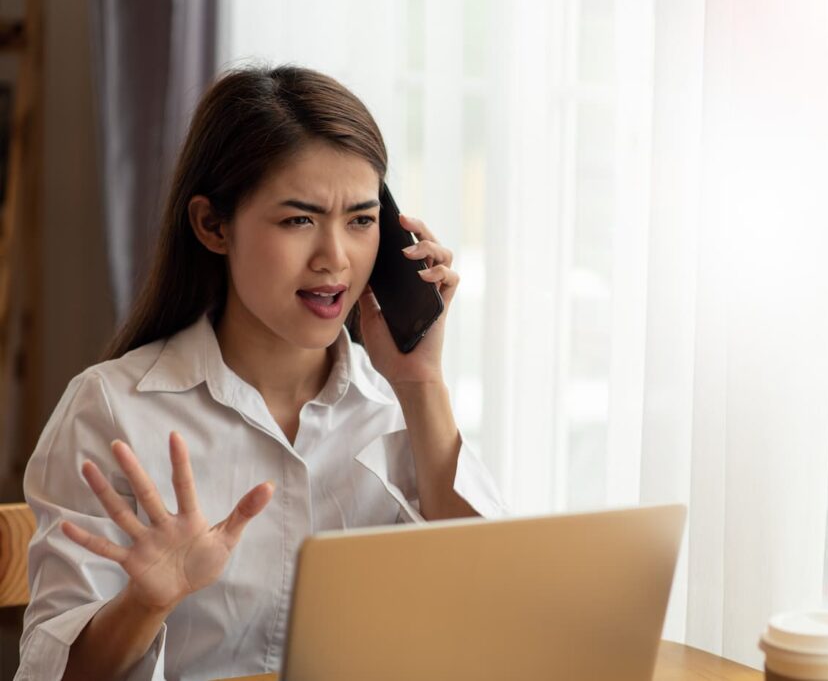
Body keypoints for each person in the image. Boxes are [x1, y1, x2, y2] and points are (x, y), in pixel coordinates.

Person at [16, 65, 506, 681]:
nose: (336, 258)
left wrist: (420, 381)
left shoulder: (394, 405)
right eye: (299, 220)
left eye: (360, 220)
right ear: (213, 226)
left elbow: (491, 609)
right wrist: (148, 601)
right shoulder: (112, 408)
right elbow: (48, 673)